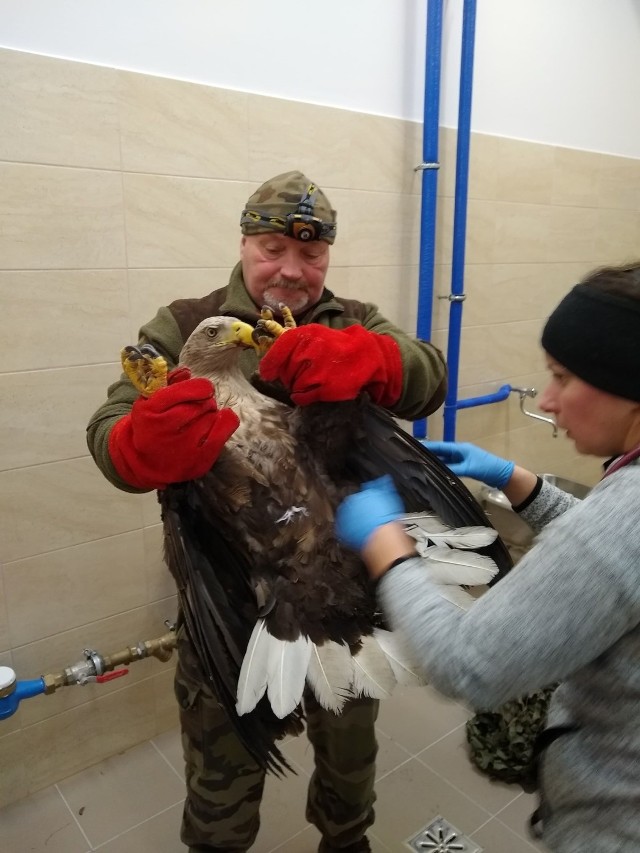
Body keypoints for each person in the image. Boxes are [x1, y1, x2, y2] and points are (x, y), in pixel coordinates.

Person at [86, 170, 447, 853]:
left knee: (349, 753)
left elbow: (428, 374)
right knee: (222, 778)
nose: (290, 270)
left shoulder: (352, 319)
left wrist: (376, 359)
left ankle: (347, 839)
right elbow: (109, 425)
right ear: (245, 242)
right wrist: (134, 444)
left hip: (337, 583)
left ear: (328, 257)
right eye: (272, 248)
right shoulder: (187, 324)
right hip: (227, 595)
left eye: (311, 255)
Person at [335, 261, 640, 853]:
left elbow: (466, 664)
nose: (547, 401)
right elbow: (618, 566)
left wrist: (387, 548)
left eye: (563, 377)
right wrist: (518, 480)